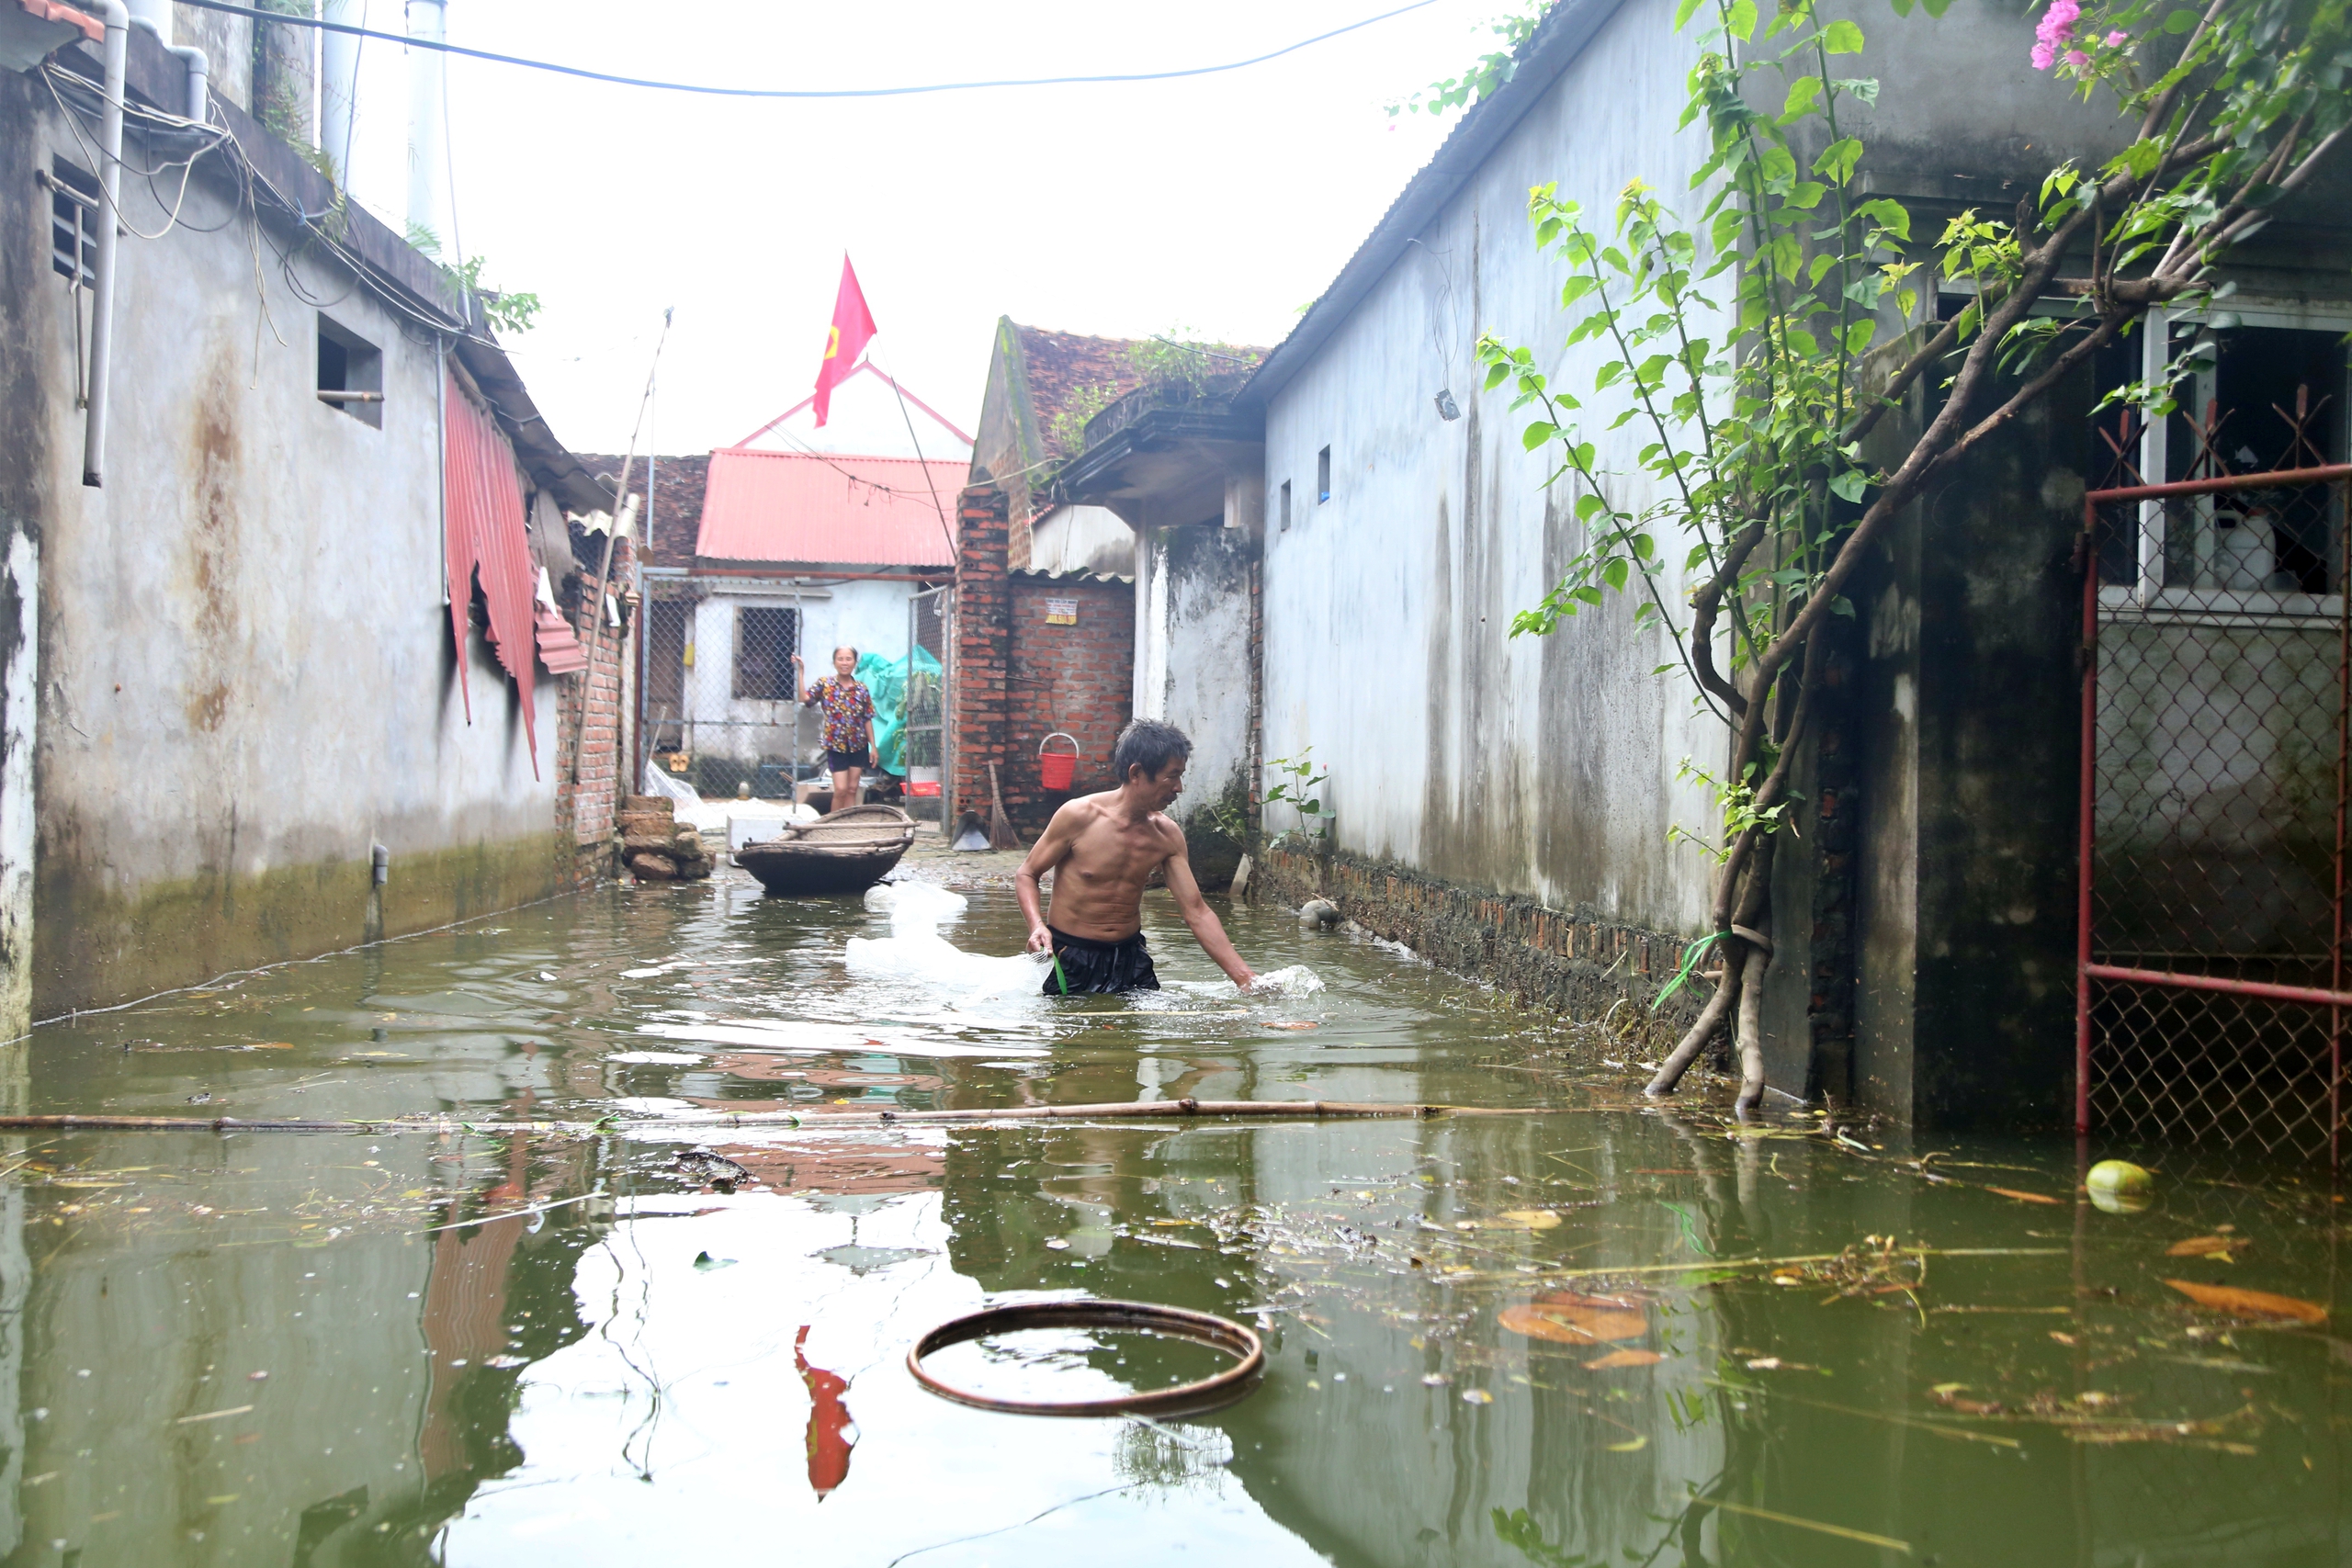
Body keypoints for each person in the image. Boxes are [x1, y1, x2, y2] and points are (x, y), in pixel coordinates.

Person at [1014, 719, 1256, 994]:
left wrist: (1246, 978)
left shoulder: (1166, 835)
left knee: (1134, 1034)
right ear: (1137, 772)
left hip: (1130, 957)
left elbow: (1197, 912)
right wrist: (1036, 926)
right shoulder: (1078, 816)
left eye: (1181, 776)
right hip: (1071, 956)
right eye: (1172, 776)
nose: (1179, 788)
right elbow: (1027, 873)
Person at [793, 646, 876, 812]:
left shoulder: (861, 689)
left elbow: (867, 719)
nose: (844, 663)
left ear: (854, 662)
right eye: (840, 659)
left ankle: (847, 826)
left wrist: (873, 747)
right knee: (840, 790)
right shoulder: (825, 684)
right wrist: (801, 672)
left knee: (853, 789)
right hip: (835, 746)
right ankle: (833, 825)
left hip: (858, 746)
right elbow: (804, 698)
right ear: (834, 662)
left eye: (848, 659)